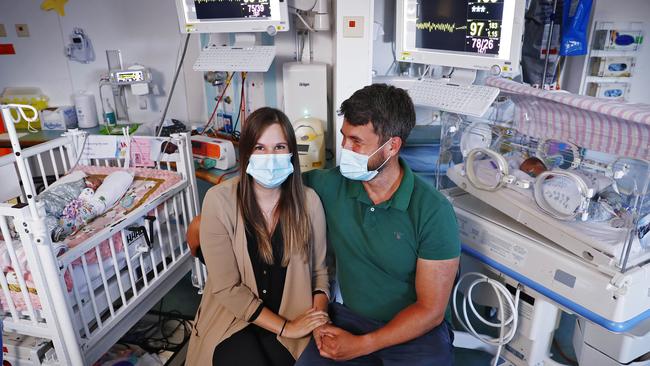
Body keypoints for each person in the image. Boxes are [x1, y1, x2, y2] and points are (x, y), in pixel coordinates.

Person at [296, 84, 461, 365]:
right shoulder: (331, 185)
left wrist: (363, 345)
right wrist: (214, 213)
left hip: (417, 332)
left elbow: (431, 310)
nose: (345, 148)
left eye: (357, 142)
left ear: (392, 146)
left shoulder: (433, 211)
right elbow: (273, 188)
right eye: (344, 137)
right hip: (350, 318)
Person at [186, 107, 330, 366]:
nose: (270, 157)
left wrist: (317, 320)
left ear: (292, 154)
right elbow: (227, 289)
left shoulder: (310, 204)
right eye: (260, 148)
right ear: (246, 154)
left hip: (291, 317)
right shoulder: (219, 201)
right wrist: (287, 328)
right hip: (233, 320)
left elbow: (320, 275)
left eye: (279, 147)